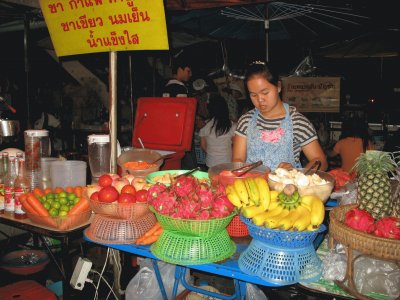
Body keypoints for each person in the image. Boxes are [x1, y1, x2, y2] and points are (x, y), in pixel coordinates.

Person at [232, 61, 328, 171]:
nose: (260, 100)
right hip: (253, 186)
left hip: (286, 187)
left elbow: (320, 161)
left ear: (278, 87)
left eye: (265, 93)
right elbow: (238, 159)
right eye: (253, 95)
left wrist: (297, 175)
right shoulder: (246, 121)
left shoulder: (297, 122)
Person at [199, 96, 236, 168]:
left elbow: (203, 146)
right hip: (227, 161)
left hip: (211, 162)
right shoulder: (232, 126)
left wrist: (213, 153)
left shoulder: (205, 126)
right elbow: (235, 145)